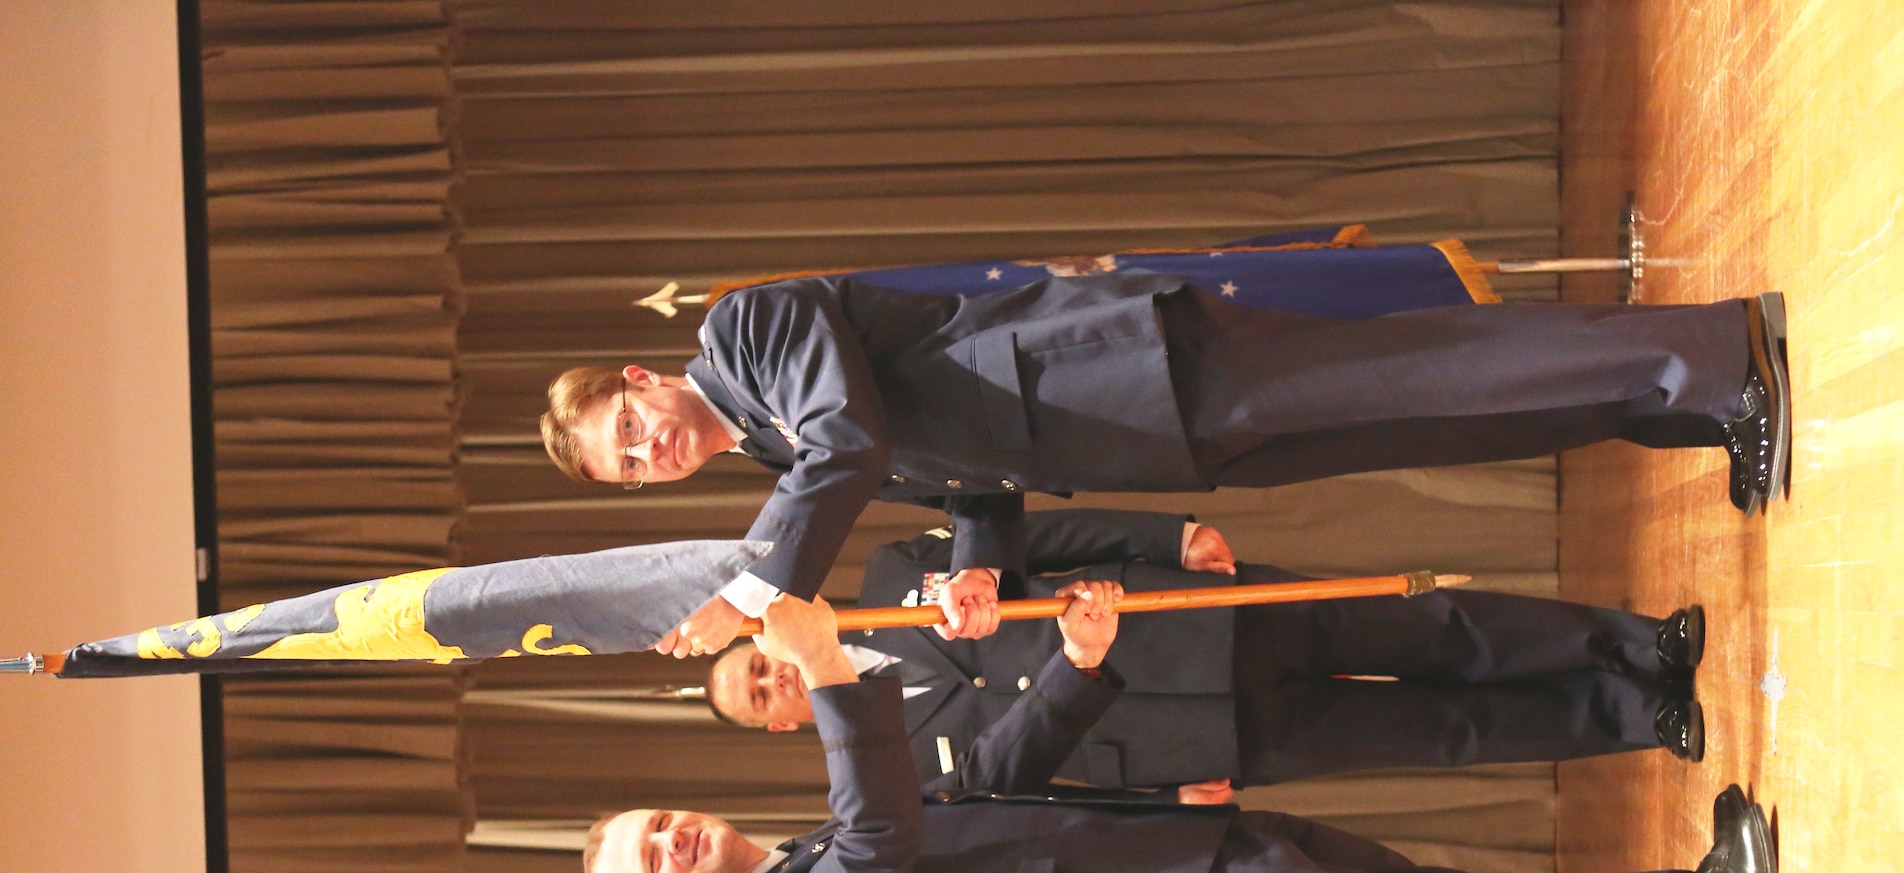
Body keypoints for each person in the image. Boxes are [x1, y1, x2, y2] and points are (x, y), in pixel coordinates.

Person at [582, 592, 1779, 873]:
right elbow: (890, 841)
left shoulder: (801, 850)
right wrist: (831, 672)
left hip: (1168, 864)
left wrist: (1077, 668)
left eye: (663, 816)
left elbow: (987, 780)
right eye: (655, 858)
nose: (674, 835)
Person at [537, 278, 1789, 656]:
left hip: (1121, 365)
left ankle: (1708, 354)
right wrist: (978, 579)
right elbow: (971, 487)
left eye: (628, 430)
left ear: (639, 380)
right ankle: (1672, 408)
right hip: (1126, 438)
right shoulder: (770, 446)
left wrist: (759, 591)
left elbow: (850, 441)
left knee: (1422, 367)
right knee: (1420, 425)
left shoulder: (741, 339)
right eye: (632, 473)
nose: (649, 454)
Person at [707, 508, 1714, 780]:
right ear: (780, 718)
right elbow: (1024, 781)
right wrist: (1163, 808)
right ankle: (1636, 714)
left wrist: (1160, 536)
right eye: (759, 691)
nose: (770, 671)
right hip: (1185, 746)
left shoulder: (892, 576)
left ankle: (1633, 641)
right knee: (1436, 729)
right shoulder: (878, 768)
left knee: (1434, 627)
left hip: (1183, 617)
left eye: (755, 655)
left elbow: (1030, 537)